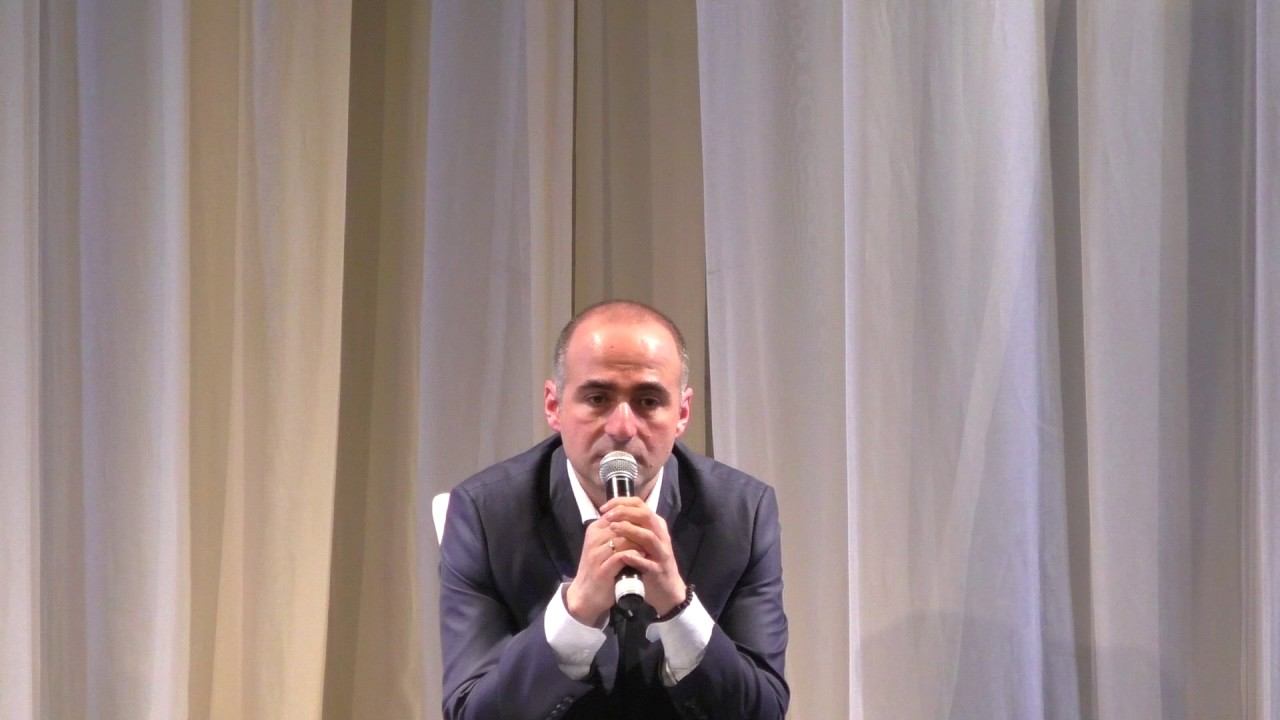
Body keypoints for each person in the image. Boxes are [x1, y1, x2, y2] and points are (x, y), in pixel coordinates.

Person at [439, 300, 788, 719]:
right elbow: (470, 711)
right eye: (598, 398)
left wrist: (678, 605)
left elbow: (765, 710)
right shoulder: (485, 514)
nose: (622, 427)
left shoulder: (742, 513)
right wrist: (575, 612)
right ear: (553, 405)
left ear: (682, 413)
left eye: (648, 401)